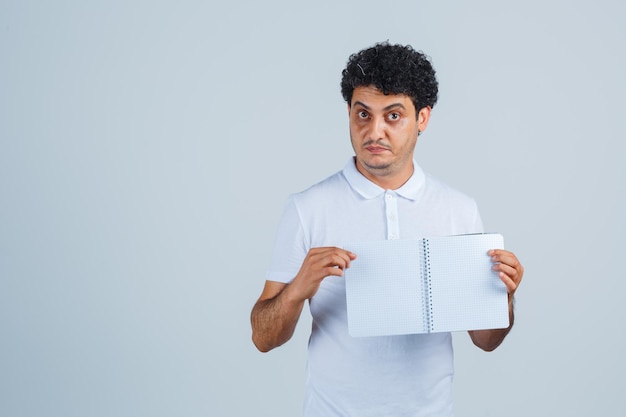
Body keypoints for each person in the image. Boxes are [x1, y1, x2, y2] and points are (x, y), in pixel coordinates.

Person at [250, 41, 524, 416]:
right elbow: (263, 338)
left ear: (422, 118)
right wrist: (298, 289)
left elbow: (486, 340)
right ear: (348, 112)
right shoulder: (307, 208)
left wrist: (504, 298)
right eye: (363, 114)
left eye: (393, 116)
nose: (374, 131)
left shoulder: (459, 210)